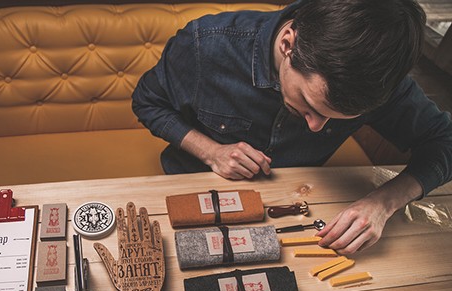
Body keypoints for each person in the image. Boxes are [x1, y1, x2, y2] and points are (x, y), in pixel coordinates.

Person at [132, 0, 452, 254]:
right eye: (309, 105)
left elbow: (445, 140)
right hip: (190, 191)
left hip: (299, 207)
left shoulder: (380, 80)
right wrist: (211, 151)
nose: (315, 127)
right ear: (288, 44)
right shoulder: (207, 45)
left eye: (336, 118)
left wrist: (384, 202)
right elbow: (147, 102)